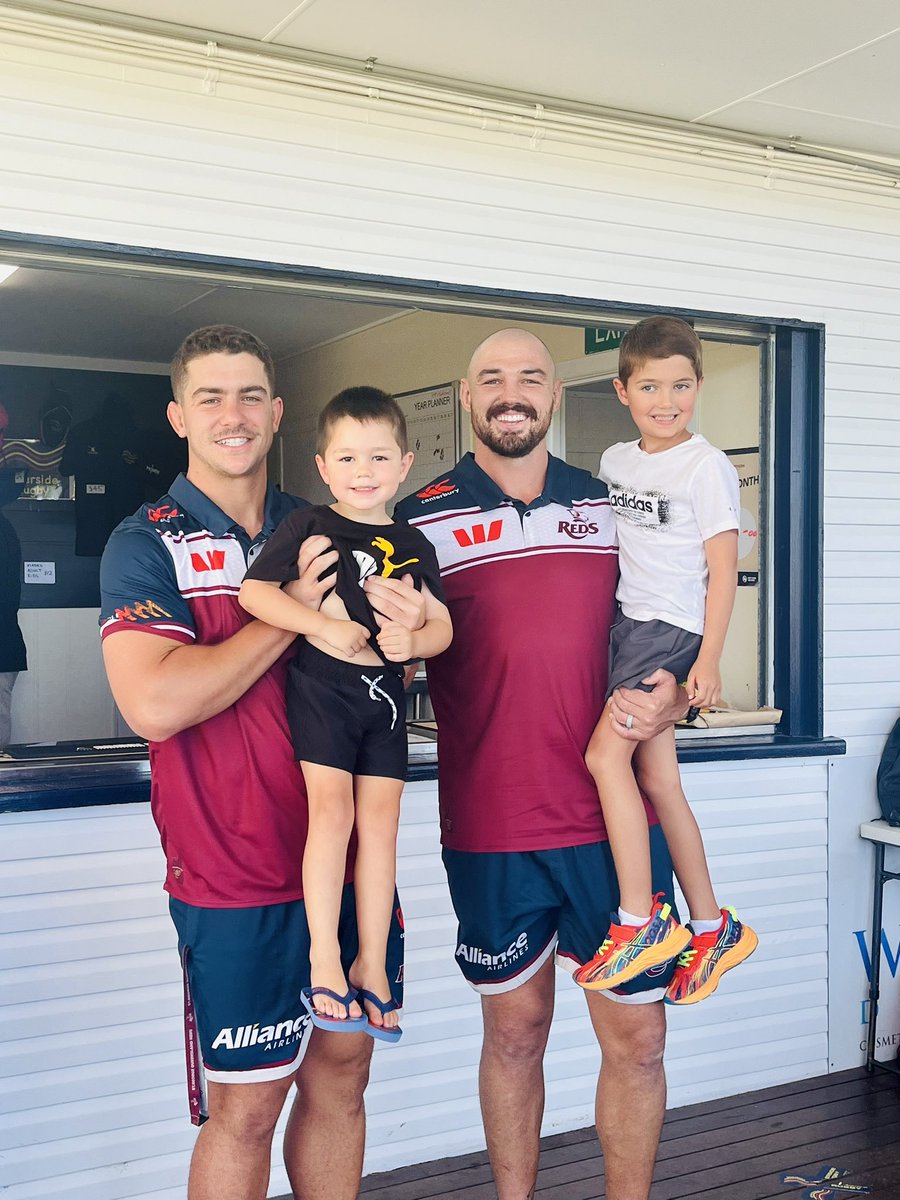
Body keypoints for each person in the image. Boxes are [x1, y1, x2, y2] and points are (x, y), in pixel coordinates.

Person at [99, 326, 424, 1200]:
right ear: (178, 415)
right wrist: (291, 616)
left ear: (279, 416)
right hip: (232, 877)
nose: (232, 415)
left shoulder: (328, 523)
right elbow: (155, 705)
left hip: (352, 869)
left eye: (250, 396)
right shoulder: (146, 542)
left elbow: (399, 652)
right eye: (210, 397)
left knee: (342, 1082)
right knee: (249, 1109)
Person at [395, 327, 691, 1200]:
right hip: (493, 827)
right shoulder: (419, 518)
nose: (511, 391)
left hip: (616, 825)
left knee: (637, 1041)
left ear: (556, 397)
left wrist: (677, 690)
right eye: (492, 378)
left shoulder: (615, 503)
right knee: (516, 1035)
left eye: (530, 377)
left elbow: (674, 620)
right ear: (465, 395)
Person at [239, 386, 452, 1037]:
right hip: (323, 692)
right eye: (349, 459)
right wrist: (321, 628)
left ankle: (369, 961)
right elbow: (255, 595)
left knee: (382, 828)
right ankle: (324, 959)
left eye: (379, 458)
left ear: (405, 463)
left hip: (386, 703)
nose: (365, 473)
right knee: (332, 817)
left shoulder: (414, 541)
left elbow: (444, 628)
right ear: (325, 467)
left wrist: (413, 642)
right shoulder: (307, 525)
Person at [575, 316, 758, 1003]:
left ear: (699, 386)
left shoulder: (704, 466)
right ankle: (711, 927)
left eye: (681, 386)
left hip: (669, 630)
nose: (666, 400)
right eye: (650, 386)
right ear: (623, 391)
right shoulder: (618, 461)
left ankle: (640, 920)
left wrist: (706, 662)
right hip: (628, 624)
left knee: (602, 758)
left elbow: (721, 567)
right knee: (661, 782)